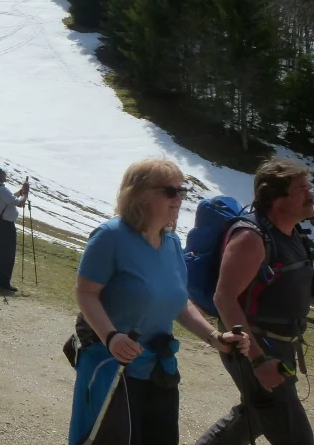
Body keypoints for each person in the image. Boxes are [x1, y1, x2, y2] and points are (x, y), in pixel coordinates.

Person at [69, 159, 249, 445]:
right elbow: (86, 293)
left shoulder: (172, 243)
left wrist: (214, 337)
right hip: (111, 368)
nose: (178, 199)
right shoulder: (110, 236)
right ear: (140, 194)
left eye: (182, 192)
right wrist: (111, 337)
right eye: (170, 191)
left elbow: (179, 302)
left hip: (158, 371)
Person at [195, 158, 314, 445]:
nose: (312, 195)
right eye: (302, 190)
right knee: (295, 437)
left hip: (281, 346)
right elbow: (224, 297)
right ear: (275, 198)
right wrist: (259, 360)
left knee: (253, 416)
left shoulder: (293, 232)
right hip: (256, 347)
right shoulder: (251, 237)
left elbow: (297, 284)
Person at [0, 167, 29, 292]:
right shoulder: (1, 189)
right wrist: (25, 194)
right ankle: (4, 282)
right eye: (3, 173)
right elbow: (19, 203)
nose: (6, 175)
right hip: (6, 224)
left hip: (0, 223)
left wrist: (20, 191)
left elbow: (10, 199)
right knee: (8, 253)